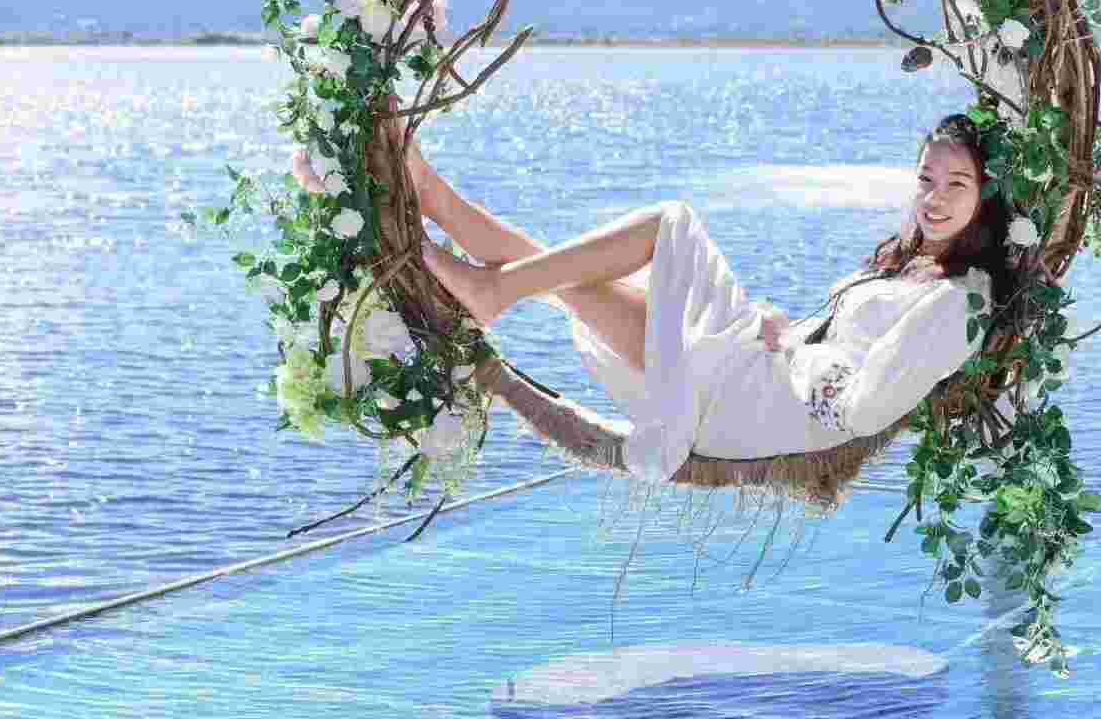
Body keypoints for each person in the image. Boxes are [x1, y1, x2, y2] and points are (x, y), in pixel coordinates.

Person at [348, 103, 1014, 483]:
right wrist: (791, 331)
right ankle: (427, 198)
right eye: (926, 179)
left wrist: (797, 356)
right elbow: (844, 346)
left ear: (987, 196)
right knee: (567, 277)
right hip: (750, 374)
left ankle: (488, 285)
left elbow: (865, 407)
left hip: (750, 403)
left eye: (956, 185)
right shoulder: (911, 263)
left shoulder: (962, 301)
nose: (934, 198)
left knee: (670, 224)